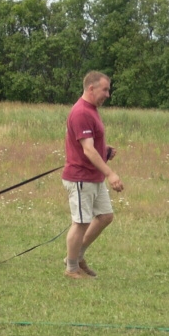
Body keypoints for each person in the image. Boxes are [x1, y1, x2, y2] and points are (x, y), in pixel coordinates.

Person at [62, 71, 124, 279]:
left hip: (93, 177)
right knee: (80, 222)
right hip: (81, 178)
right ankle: (71, 268)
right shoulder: (81, 112)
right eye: (104, 89)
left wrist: (104, 149)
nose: (108, 94)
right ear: (91, 88)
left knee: (105, 216)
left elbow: (90, 145)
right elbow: (87, 150)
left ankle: (77, 256)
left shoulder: (92, 110)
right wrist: (111, 173)